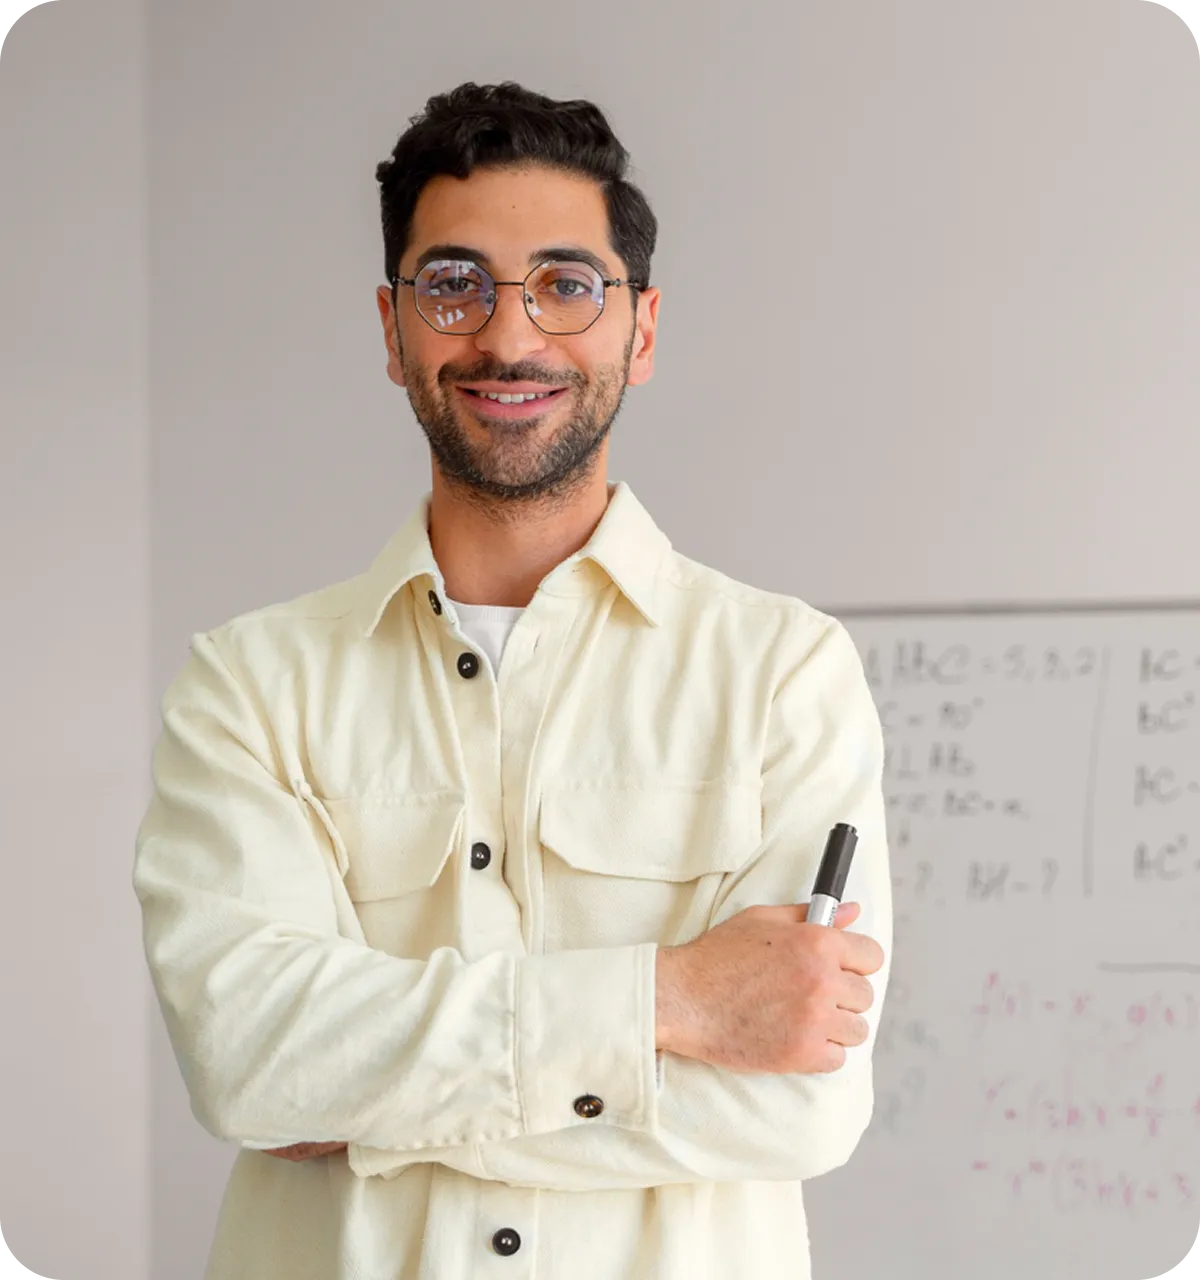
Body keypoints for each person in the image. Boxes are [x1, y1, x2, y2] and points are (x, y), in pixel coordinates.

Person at [132, 80, 891, 1280]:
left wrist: (371, 1103)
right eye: (453, 284)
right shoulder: (251, 685)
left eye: (566, 284)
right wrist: (673, 998)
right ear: (393, 329)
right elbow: (248, 1061)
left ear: (639, 330)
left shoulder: (782, 669)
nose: (510, 335)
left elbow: (802, 1105)